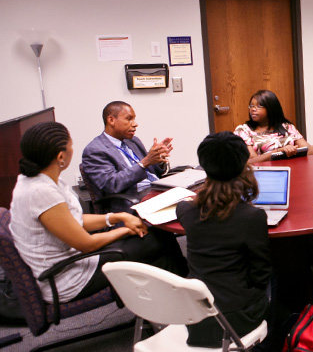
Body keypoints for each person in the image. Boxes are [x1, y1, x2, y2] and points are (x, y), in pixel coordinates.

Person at [9, 122, 187, 304]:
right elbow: (86, 244)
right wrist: (125, 230)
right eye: (71, 146)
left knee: (159, 249)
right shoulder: (41, 192)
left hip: (73, 258)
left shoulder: (40, 179)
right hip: (68, 277)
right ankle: (183, 296)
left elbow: (73, 220)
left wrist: (117, 217)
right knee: (158, 240)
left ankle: (170, 302)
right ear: (61, 156)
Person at [176, 132, 272, 347]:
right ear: (242, 166)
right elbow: (261, 273)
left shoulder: (186, 211)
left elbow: (182, 206)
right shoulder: (252, 216)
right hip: (235, 322)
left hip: (196, 316)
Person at [82, 101, 172, 213]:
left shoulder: (133, 141)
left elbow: (152, 172)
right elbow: (112, 184)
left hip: (156, 192)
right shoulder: (95, 150)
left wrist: (158, 159)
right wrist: (145, 162)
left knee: (192, 202)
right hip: (132, 203)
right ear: (111, 120)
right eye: (129, 119)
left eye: (134, 119)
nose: (135, 124)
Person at [234, 89, 313, 163]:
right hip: (264, 172)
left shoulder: (287, 127)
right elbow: (252, 160)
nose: (253, 109)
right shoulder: (243, 130)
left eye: (259, 106)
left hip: (294, 167)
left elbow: (306, 149)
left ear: (271, 108)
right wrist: (279, 151)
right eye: (251, 106)